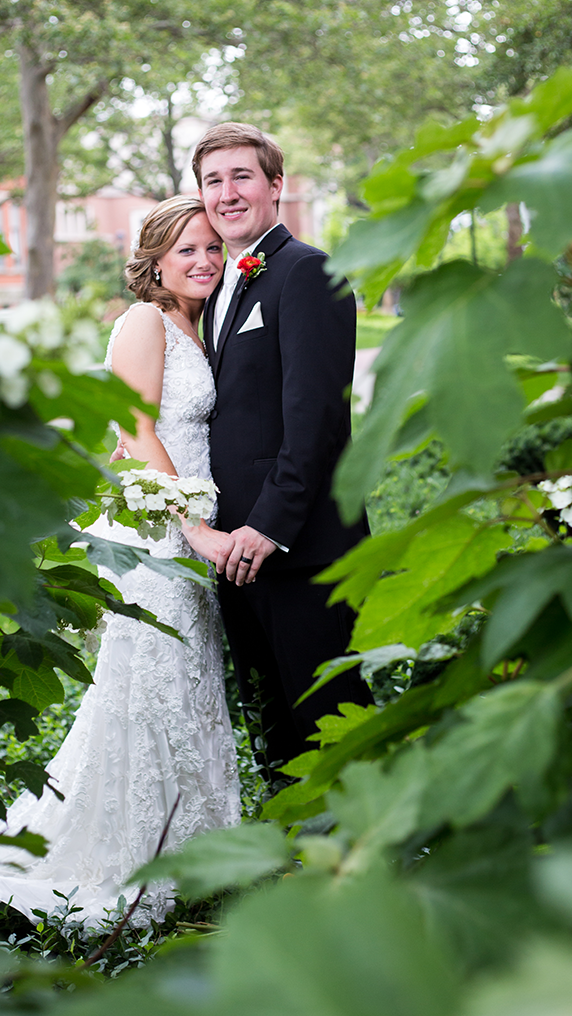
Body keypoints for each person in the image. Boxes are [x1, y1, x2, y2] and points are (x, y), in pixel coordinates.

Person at [0, 196, 241, 928]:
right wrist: (197, 527)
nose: (205, 261)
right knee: (147, 684)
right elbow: (135, 431)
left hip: (193, 527)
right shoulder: (145, 322)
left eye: (212, 248)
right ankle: (126, 854)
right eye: (187, 251)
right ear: (153, 261)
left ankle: (194, 845)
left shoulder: (194, 321)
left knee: (187, 684)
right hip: (163, 534)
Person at [186, 123, 373, 777]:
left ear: (275, 185)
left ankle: (367, 860)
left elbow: (317, 416)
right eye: (214, 180)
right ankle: (296, 858)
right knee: (274, 726)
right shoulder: (219, 288)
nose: (227, 193)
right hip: (235, 550)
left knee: (330, 720)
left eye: (242, 176)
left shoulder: (308, 271)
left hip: (299, 545)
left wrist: (269, 525)